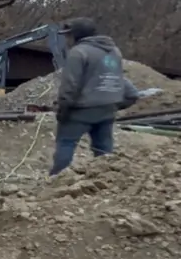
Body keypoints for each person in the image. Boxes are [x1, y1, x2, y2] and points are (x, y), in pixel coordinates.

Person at [50, 18, 139, 175]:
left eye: (68, 36)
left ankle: (56, 180)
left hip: (81, 110)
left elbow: (70, 85)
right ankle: (106, 179)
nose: (66, 40)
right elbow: (121, 82)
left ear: (77, 35)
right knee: (104, 148)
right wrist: (118, 103)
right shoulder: (114, 51)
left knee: (66, 143)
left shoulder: (78, 52)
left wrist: (63, 109)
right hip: (107, 109)